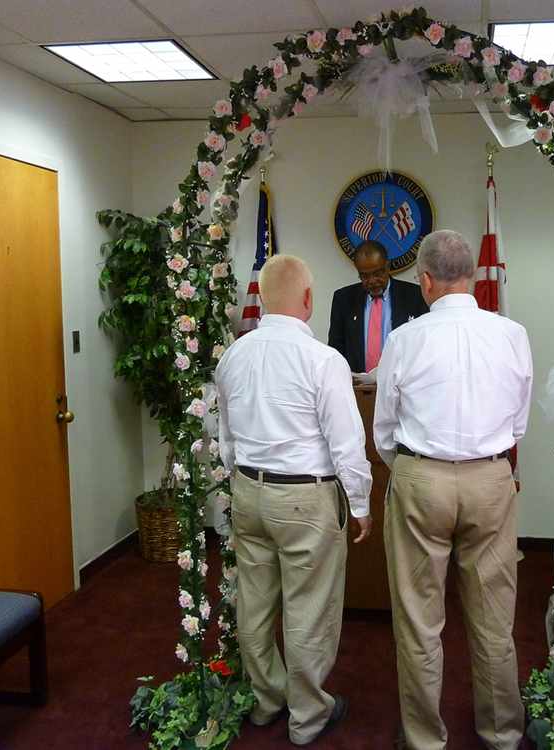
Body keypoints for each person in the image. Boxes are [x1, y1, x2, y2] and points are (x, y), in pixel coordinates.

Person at [373, 230, 533, 750]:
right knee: (493, 619)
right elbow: (519, 426)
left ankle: (423, 740)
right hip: (491, 478)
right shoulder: (513, 333)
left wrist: (416, 467)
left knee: (420, 620)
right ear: (469, 276)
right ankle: (503, 733)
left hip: (422, 479)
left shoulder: (403, 339)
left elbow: (384, 431)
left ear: (424, 280)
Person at [215, 254, 373, 747]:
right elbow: (347, 442)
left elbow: (226, 440)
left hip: (247, 491)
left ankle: (265, 702)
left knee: (256, 605)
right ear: (307, 300)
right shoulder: (324, 360)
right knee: (309, 610)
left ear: (261, 297)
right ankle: (307, 718)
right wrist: (361, 502)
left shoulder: (232, 356)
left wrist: (244, 481)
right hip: (305, 500)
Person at [328, 240, 431, 373]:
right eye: (365, 276)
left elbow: (424, 346)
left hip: (403, 386)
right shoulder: (343, 299)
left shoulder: (415, 296)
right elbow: (336, 349)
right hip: (357, 389)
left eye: (377, 274)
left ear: (388, 266)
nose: (372, 281)